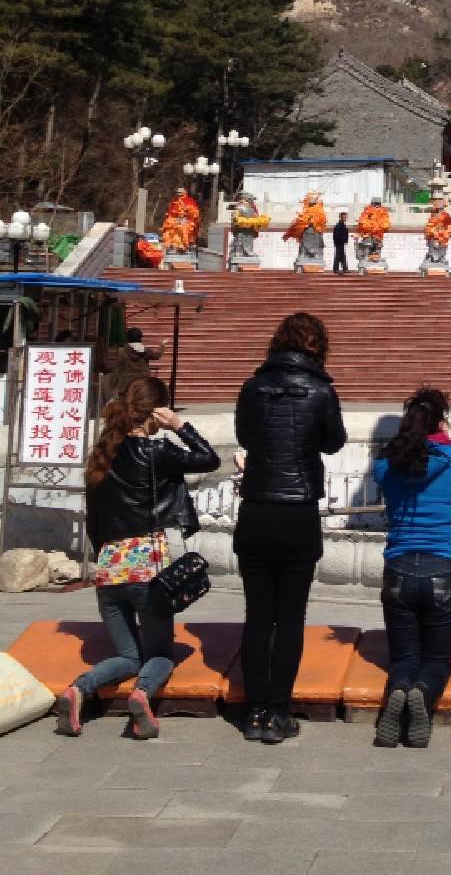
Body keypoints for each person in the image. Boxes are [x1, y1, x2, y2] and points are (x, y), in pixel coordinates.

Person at [55, 378, 220, 739]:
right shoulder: (156, 451)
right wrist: (181, 426)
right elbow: (210, 459)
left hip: (109, 569)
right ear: (156, 413)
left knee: (128, 655)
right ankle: (142, 695)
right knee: (161, 652)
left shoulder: (103, 453)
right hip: (148, 568)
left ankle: (78, 689)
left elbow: (95, 522)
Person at [234, 311, 347, 743]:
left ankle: (255, 710)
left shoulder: (253, 386)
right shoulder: (321, 390)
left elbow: (246, 437)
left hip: (257, 507)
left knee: (258, 617)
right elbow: (334, 442)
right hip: (298, 509)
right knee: (290, 617)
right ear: (317, 345)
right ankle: (279, 712)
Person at [372, 386, 451, 748]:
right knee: (437, 658)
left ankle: (400, 688)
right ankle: (423, 693)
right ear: (442, 421)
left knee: (404, 656)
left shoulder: (386, 464)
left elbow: (389, 474)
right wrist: (445, 442)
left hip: (399, 567)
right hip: (443, 568)